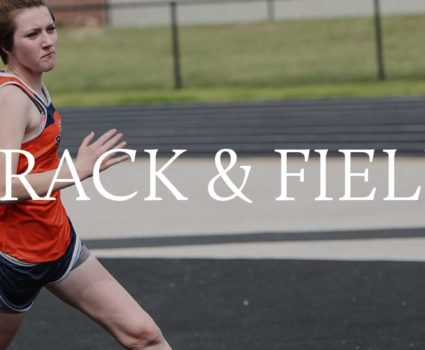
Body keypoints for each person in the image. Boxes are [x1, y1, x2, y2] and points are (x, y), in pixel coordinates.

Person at [0, 1, 172, 349]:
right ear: (7, 47)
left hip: (58, 243)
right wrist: (75, 171)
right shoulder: (11, 98)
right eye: (32, 34)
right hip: (14, 260)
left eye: (50, 29)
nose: (48, 41)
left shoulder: (36, 87)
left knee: (144, 335)